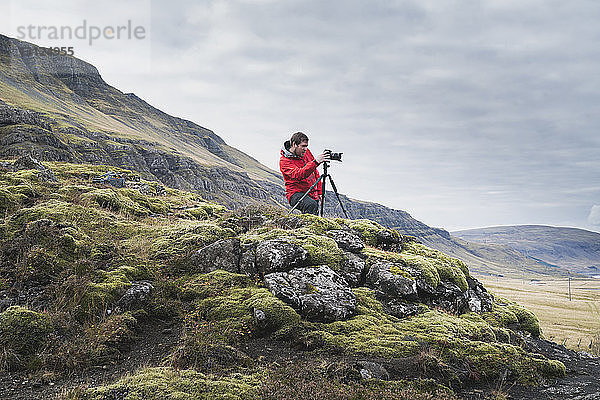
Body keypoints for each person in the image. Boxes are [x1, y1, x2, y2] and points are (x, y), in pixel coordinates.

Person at [280, 132, 327, 215]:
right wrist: (316, 162)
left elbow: (315, 172)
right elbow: (299, 174)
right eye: (303, 146)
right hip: (295, 194)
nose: (305, 149)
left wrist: (320, 192)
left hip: (311, 192)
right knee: (310, 205)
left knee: (314, 209)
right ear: (294, 144)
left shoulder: (306, 152)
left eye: (306, 146)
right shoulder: (284, 161)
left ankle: (308, 226)